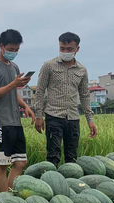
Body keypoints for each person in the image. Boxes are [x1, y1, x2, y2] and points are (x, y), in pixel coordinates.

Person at [0, 29, 35, 192]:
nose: (13, 53)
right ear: (1, 46)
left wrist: (25, 106)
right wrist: (13, 84)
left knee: (20, 163)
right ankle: (2, 200)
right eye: (11, 49)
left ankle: (11, 196)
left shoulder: (14, 67)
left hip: (15, 121)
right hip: (0, 123)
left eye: (16, 50)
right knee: (3, 164)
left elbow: (13, 93)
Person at [34, 32, 97, 167]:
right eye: (62, 48)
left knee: (72, 157)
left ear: (77, 49)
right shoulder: (49, 66)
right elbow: (39, 91)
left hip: (73, 118)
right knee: (53, 156)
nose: (65, 52)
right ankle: (52, 185)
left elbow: (85, 95)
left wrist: (90, 120)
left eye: (69, 49)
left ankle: (71, 185)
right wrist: (38, 115)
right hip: (54, 116)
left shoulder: (82, 70)